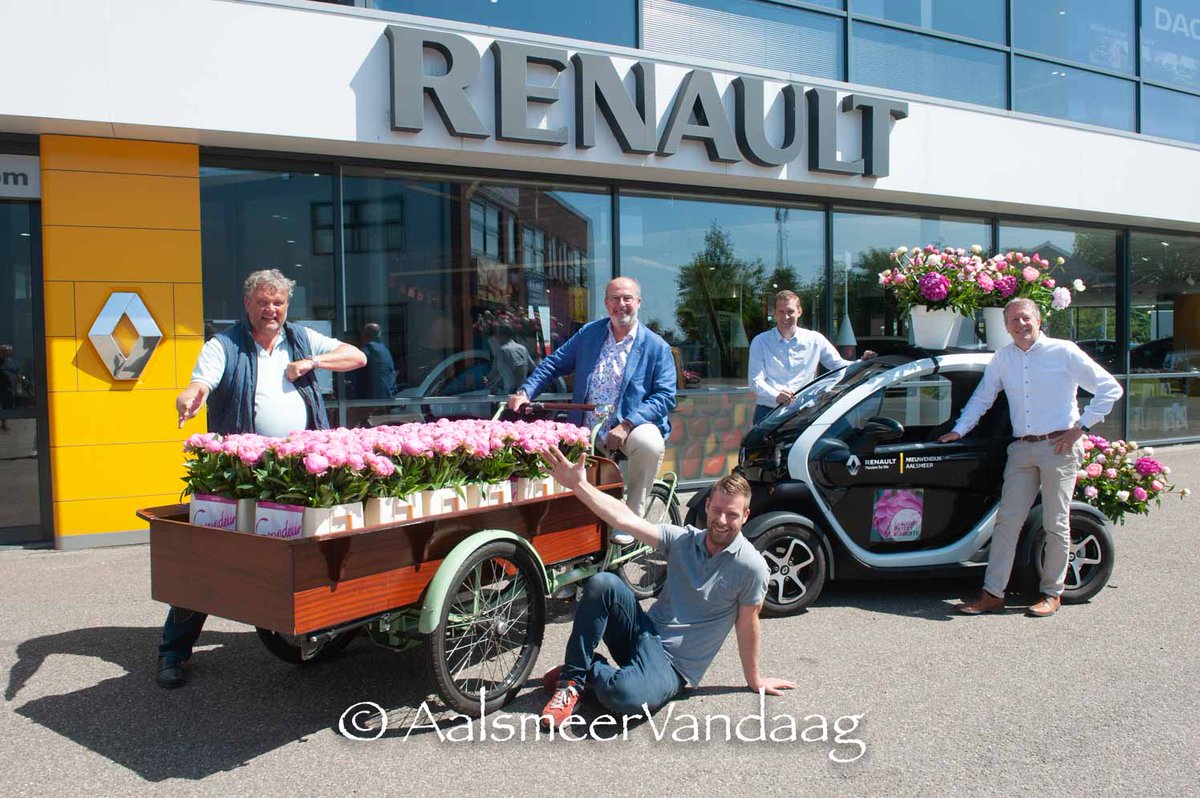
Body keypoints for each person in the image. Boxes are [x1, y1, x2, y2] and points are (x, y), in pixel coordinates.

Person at [162, 269, 366, 688]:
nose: (271, 310)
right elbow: (201, 383)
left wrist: (313, 362)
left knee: (305, 551)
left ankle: (315, 630)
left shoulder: (302, 338)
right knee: (208, 556)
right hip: (241, 470)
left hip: (300, 470)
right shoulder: (224, 344)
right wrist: (190, 395)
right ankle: (173, 651)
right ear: (248, 305)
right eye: (263, 303)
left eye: (278, 303)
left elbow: (356, 357)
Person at [538, 446, 795, 729]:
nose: (722, 520)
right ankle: (571, 682)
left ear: (745, 515)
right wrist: (579, 485)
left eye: (732, 515)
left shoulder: (752, 567)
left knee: (624, 697)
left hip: (674, 666)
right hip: (644, 634)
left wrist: (754, 679)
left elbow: (748, 624)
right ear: (707, 505)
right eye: (718, 510)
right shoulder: (683, 539)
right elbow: (625, 519)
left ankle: (589, 668)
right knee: (603, 583)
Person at [939, 297, 1122, 618]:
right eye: (1013, 321)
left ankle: (1052, 593)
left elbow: (1110, 388)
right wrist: (959, 430)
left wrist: (1081, 428)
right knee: (1007, 523)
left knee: (1055, 523)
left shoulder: (1063, 351)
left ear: (1038, 320)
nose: (1020, 325)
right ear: (1006, 326)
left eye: (1025, 318)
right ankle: (992, 594)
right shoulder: (1003, 358)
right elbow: (983, 396)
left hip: (1059, 447)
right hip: (1022, 448)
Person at [507, 276, 676, 543]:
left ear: (639, 302)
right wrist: (525, 392)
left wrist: (628, 424)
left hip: (628, 429)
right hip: (586, 427)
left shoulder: (657, 347)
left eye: (627, 298)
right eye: (615, 298)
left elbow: (665, 397)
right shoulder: (590, 334)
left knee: (649, 443)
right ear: (607, 303)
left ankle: (631, 521)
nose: (621, 304)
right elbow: (553, 364)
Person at [748, 291, 876, 425]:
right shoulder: (761, 341)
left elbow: (839, 366)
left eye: (790, 311)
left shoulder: (815, 339)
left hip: (803, 412)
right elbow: (755, 381)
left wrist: (861, 362)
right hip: (768, 411)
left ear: (799, 311)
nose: (786, 316)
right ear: (774, 313)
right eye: (781, 311)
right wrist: (776, 395)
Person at [356, 322, 397, 400]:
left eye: (363, 334)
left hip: (374, 397)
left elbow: (355, 363)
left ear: (367, 335)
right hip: (387, 395)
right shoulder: (384, 349)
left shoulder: (369, 348)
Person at [0, 344, 18, 432]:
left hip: (10, 387)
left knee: (7, 406)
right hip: (1, 387)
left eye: (8, 350)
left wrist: (18, 382)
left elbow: (17, 372)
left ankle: (4, 424)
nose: (6, 352)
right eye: (4, 350)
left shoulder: (13, 361)